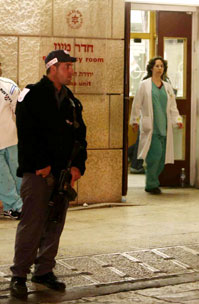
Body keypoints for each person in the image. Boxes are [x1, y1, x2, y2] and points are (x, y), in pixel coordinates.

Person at [9, 50, 87, 299]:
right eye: (66, 66)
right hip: (38, 174)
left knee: (55, 223)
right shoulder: (32, 95)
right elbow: (26, 133)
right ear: (52, 68)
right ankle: (19, 274)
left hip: (63, 175)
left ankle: (44, 271)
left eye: (71, 66)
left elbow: (80, 137)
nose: (71, 71)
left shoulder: (71, 101)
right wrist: (40, 164)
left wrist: (77, 166)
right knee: (32, 224)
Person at [129, 56, 183, 194]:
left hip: (164, 127)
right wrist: (134, 120)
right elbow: (137, 103)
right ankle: (151, 184)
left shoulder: (167, 87)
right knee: (155, 156)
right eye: (157, 66)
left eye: (162, 66)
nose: (160, 68)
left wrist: (177, 120)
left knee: (162, 158)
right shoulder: (144, 85)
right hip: (151, 128)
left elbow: (172, 107)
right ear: (151, 68)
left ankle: (153, 180)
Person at [0, 63, 23, 219]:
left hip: (11, 140)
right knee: (3, 179)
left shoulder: (10, 86)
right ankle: (16, 207)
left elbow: (20, 112)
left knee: (17, 176)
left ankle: (24, 205)